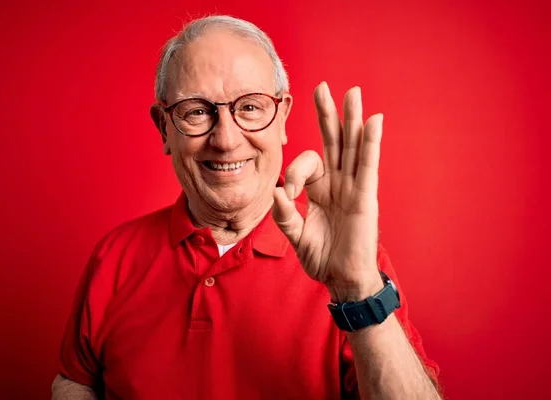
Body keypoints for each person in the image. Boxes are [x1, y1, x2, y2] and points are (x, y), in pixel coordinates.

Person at [52, 15, 441, 400]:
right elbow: (75, 381)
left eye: (250, 107)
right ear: (163, 127)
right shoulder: (113, 257)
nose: (225, 139)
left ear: (282, 116)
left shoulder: (353, 264)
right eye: (197, 111)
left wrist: (356, 289)